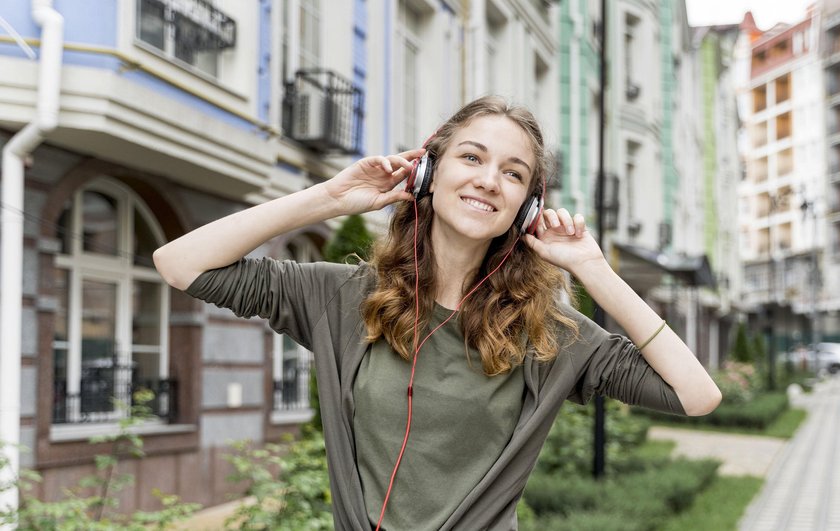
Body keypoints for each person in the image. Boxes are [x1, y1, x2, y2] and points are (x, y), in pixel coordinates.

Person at [153, 95, 721, 531]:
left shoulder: (548, 333)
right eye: (472, 157)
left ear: (527, 208)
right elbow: (180, 263)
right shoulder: (346, 299)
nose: (487, 180)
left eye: (513, 172)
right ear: (428, 172)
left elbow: (697, 395)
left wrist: (594, 270)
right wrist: (328, 198)